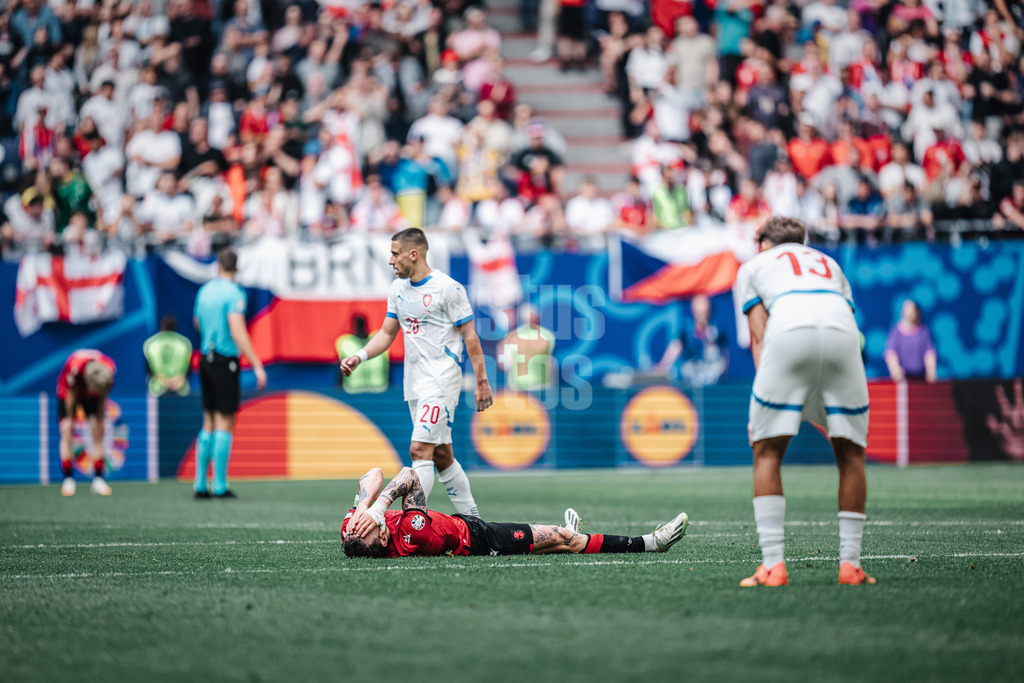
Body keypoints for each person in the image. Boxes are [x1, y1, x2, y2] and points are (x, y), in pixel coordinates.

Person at [733, 216, 874, 587]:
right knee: (850, 452)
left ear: (762, 242)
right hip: (844, 338)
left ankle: (773, 567)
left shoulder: (754, 265)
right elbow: (845, 319)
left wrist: (770, 401)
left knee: (767, 452)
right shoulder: (830, 263)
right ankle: (851, 566)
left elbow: (759, 337)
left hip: (788, 333)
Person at [340, 228, 493, 516]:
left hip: (442, 381)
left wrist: (482, 381)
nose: (390, 260)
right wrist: (359, 356)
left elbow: (470, 337)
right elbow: (386, 333)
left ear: (414, 254)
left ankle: (405, 519)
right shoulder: (397, 290)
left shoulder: (448, 289)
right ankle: (475, 522)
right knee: (442, 456)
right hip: (415, 384)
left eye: (395, 253)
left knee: (419, 451)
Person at [341, 466, 690, 559]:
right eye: (381, 532)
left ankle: (642, 542)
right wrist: (380, 507)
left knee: (562, 543)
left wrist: (362, 509)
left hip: (466, 525)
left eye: (374, 526)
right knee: (565, 539)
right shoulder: (412, 533)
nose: (380, 526)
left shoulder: (353, 528)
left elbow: (372, 474)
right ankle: (650, 543)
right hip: (480, 541)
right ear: (385, 541)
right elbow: (409, 476)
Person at [193, 248, 267, 499]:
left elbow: (197, 322)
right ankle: (220, 485)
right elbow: (237, 329)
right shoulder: (234, 293)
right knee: (225, 421)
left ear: (217, 266)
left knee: (208, 421)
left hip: (205, 357)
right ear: (236, 268)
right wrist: (256, 364)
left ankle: (200, 483)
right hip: (226, 360)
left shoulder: (204, 291)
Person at [56, 350, 117, 496]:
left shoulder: (109, 369)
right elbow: (71, 394)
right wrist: (69, 418)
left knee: (98, 431)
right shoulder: (75, 368)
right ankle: (68, 479)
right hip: (69, 391)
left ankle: (98, 479)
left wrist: (100, 418)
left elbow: (102, 395)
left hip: (93, 392)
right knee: (67, 431)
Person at [655, 294, 728, 387]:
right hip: (692, 376)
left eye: (703, 311)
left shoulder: (717, 328)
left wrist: (724, 374)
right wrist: (663, 365)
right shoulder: (687, 327)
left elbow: (725, 353)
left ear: (709, 310)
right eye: (698, 311)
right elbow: (676, 346)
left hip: (711, 376)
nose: (700, 314)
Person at [498, 304, 556, 392]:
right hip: (542, 388)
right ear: (538, 317)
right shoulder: (548, 335)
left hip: (518, 388)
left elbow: (505, 364)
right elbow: (552, 364)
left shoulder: (511, 336)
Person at [884, 299, 937, 383]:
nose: (909, 313)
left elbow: (929, 353)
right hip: (902, 378)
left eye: (912, 310)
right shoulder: (895, 332)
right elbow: (891, 353)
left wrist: (931, 371)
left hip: (921, 377)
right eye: (907, 310)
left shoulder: (924, 332)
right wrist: (895, 369)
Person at [335, 314, 389, 393]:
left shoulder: (379, 340)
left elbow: (387, 366)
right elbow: (340, 369)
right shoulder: (344, 342)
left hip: (379, 390)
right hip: (352, 391)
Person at [144, 315, 194, 396]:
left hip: (157, 390)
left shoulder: (150, 343)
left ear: (162, 326)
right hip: (180, 389)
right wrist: (176, 381)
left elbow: (148, 369)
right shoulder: (185, 343)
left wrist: (164, 381)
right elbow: (190, 368)